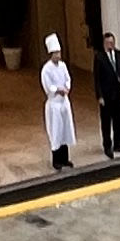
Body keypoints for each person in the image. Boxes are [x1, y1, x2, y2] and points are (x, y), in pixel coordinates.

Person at [39, 31, 76, 176]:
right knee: (56, 132)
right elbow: (48, 86)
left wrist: (67, 87)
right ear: (51, 54)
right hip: (54, 104)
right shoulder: (46, 69)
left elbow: (68, 79)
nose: (58, 56)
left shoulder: (63, 66)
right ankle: (56, 160)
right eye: (56, 53)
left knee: (65, 131)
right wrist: (57, 90)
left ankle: (65, 158)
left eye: (59, 53)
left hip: (64, 103)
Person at [93, 26, 120, 160]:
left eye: (112, 42)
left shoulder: (118, 54)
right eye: (108, 43)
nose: (111, 45)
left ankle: (118, 144)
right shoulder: (99, 57)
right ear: (104, 43)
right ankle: (107, 145)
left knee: (118, 121)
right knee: (106, 122)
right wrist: (99, 95)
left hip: (117, 93)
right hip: (106, 95)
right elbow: (97, 78)